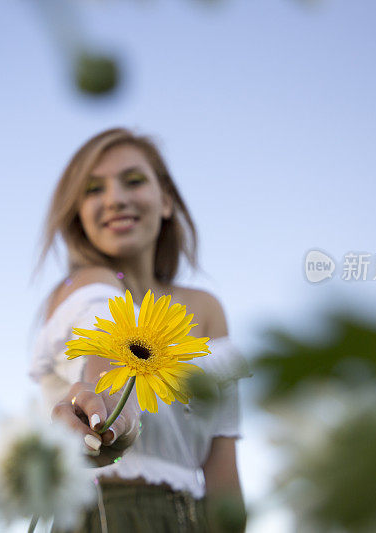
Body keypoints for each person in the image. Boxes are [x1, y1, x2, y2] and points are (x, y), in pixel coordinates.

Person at [29, 127, 251, 532]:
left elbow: (224, 473)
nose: (115, 198)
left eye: (133, 180)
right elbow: (101, 355)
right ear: (78, 214)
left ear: (166, 200)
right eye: (94, 189)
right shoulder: (85, 287)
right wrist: (109, 419)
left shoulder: (206, 309)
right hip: (105, 516)